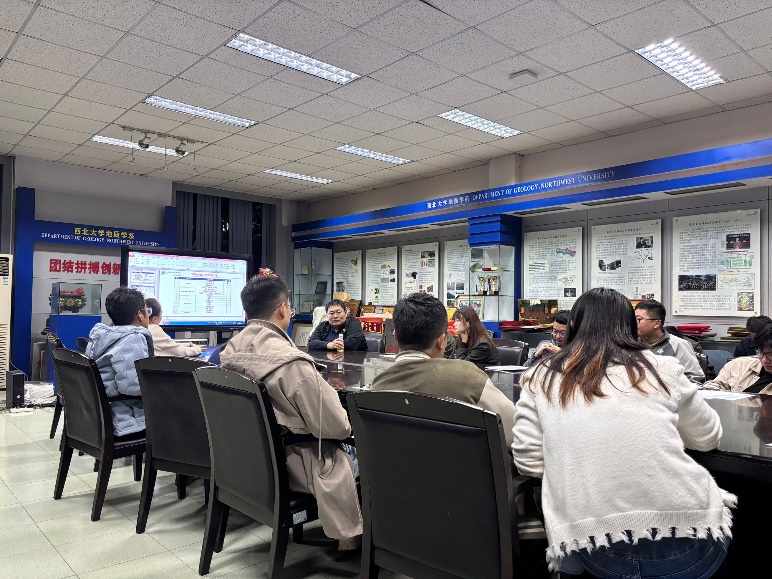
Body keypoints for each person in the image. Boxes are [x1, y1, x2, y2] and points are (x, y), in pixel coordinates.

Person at [513, 288, 733, 577]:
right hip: (688, 540)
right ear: (630, 325)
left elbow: (528, 460)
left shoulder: (541, 376)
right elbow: (706, 438)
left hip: (596, 546)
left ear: (574, 327)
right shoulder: (662, 368)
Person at [219, 275, 362, 550]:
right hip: (296, 465)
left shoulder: (229, 353)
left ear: (247, 313)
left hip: (244, 460)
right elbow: (336, 427)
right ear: (283, 309)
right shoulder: (292, 364)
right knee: (364, 452)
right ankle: (354, 540)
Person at [372, 293, 516, 449]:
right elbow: (516, 433)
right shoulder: (468, 378)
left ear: (395, 335)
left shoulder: (377, 387)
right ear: (441, 341)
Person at [85, 287, 153, 437]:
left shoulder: (101, 336)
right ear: (139, 314)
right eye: (147, 311)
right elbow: (133, 387)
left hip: (98, 418)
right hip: (126, 421)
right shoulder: (133, 339)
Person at [634, 299, 704, 384]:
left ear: (657, 324)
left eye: (639, 319)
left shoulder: (678, 344)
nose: (634, 323)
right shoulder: (633, 344)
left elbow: (695, 378)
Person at [704, 324, 772, 394]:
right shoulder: (738, 365)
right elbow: (713, 386)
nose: (764, 360)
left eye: (770, 354)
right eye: (761, 353)